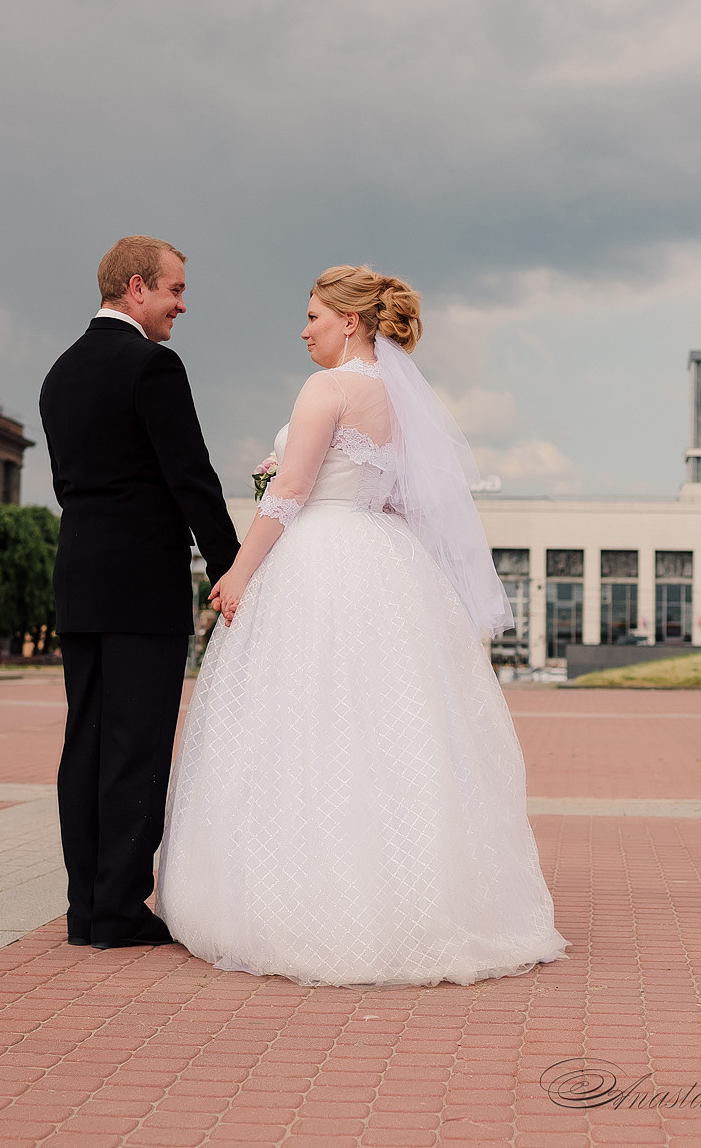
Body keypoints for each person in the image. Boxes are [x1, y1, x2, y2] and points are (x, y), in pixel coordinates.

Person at [156, 264, 565, 986]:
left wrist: (239, 573)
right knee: (387, 730)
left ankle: (307, 902)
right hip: (384, 563)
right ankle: (412, 898)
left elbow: (289, 491)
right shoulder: (401, 401)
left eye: (314, 314)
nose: (304, 327)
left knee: (304, 723)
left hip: (318, 558)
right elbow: (406, 501)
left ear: (351, 320)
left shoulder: (329, 388)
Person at [40, 236, 238, 950]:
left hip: (80, 576)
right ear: (135, 287)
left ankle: (86, 908)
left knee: (86, 741)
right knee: (137, 745)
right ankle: (120, 911)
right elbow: (190, 474)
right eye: (174, 290)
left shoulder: (60, 372)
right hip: (140, 581)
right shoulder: (152, 365)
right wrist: (231, 565)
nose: (181, 305)